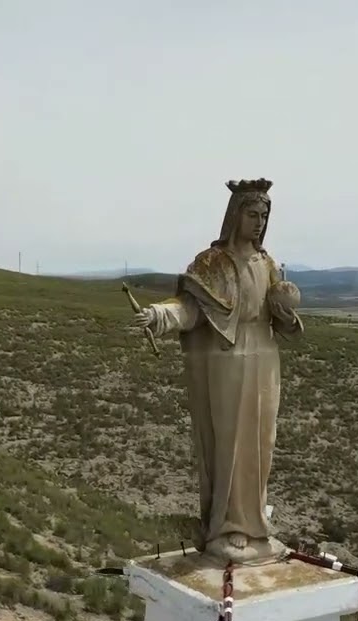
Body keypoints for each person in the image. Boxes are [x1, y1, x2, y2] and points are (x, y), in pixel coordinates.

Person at [131, 178, 303, 563]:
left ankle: (255, 522)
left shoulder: (268, 263)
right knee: (231, 443)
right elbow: (192, 307)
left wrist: (286, 310)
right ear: (234, 215)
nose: (258, 223)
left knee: (262, 443)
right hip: (228, 358)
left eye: (264, 215)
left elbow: (279, 316)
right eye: (252, 214)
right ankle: (226, 526)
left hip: (265, 358)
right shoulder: (212, 263)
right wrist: (161, 315)